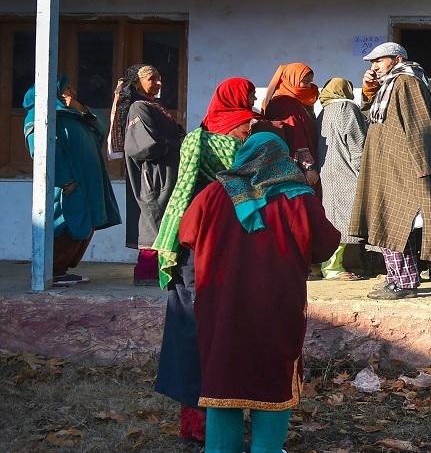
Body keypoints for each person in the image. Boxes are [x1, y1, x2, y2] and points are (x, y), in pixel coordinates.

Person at [179, 132, 339, 453]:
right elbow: (326, 244)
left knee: (224, 380)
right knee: (272, 384)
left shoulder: (213, 193)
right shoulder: (299, 198)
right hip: (277, 312)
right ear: (281, 159)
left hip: (221, 310)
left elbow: (187, 234)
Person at [152, 77, 258, 445]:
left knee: (204, 332)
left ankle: (206, 423)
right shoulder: (221, 141)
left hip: (206, 245)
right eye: (249, 103)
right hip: (211, 247)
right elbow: (187, 190)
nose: (251, 118)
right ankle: (205, 425)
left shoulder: (217, 135)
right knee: (205, 332)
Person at [350, 42, 431, 301]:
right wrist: (369, 88)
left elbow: (419, 124)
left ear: (397, 58)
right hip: (387, 165)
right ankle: (395, 279)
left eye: (379, 61)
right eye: (371, 62)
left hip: (403, 166)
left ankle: (405, 283)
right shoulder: (390, 83)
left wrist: (424, 164)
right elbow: (373, 113)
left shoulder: (407, 81)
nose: (374, 66)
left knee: (397, 223)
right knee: (386, 221)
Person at [23, 76, 122, 287]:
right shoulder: (41, 115)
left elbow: (101, 128)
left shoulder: (74, 114)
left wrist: (79, 107)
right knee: (69, 224)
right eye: (67, 87)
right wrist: (64, 180)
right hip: (68, 185)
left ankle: (61, 270)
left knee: (87, 224)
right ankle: (52, 271)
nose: (72, 91)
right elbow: (41, 151)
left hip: (87, 181)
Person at [110, 64, 184, 286]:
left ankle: (164, 270)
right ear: (137, 83)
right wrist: (175, 143)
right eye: (152, 78)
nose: (158, 83)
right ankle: (148, 272)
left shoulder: (155, 106)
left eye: (160, 78)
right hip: (153, 174)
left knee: (165, 216)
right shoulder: (138, 108)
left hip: (166, 170)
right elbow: (144, 146)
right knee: (154, 216)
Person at [316, 78, 368, 280]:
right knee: (343, 222)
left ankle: (333, 266)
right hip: (347, 172)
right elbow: (357, 143)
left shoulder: (323, 111)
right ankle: (332, 268)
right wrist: (363, 170)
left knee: (335, 219)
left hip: (329, 172)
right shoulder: (347, 107)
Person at [262, 62, 320, 187]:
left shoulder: (293, 101)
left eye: (310, 82)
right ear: (291, 80)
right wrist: (309, 168)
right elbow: (296, 136)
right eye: (305, 82)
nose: (309, 86)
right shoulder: (285, 103)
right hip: (299, 169)